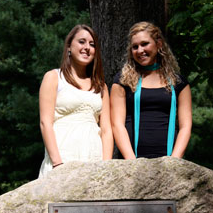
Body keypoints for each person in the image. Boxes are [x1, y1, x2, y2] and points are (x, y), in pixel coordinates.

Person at [39, 24, 113, 177]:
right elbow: (45, 123)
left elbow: (106, 130)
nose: (87, 47)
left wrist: (106, 167)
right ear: (69, 47)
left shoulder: (101, 86)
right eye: (82, 42)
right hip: (62, 157)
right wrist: (57, 163)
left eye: (92, 45)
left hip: (94, 159)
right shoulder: (53, 77)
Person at [110, 21, 192, 159]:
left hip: (169, 162)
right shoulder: (123, 81)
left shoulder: (179, 83)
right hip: (132, 161)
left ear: (158, 44)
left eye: (144, 44)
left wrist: (174, 161)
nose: (140, 50)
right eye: (135, 47)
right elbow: (117, 124)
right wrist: (132, 162)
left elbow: (186, 126)